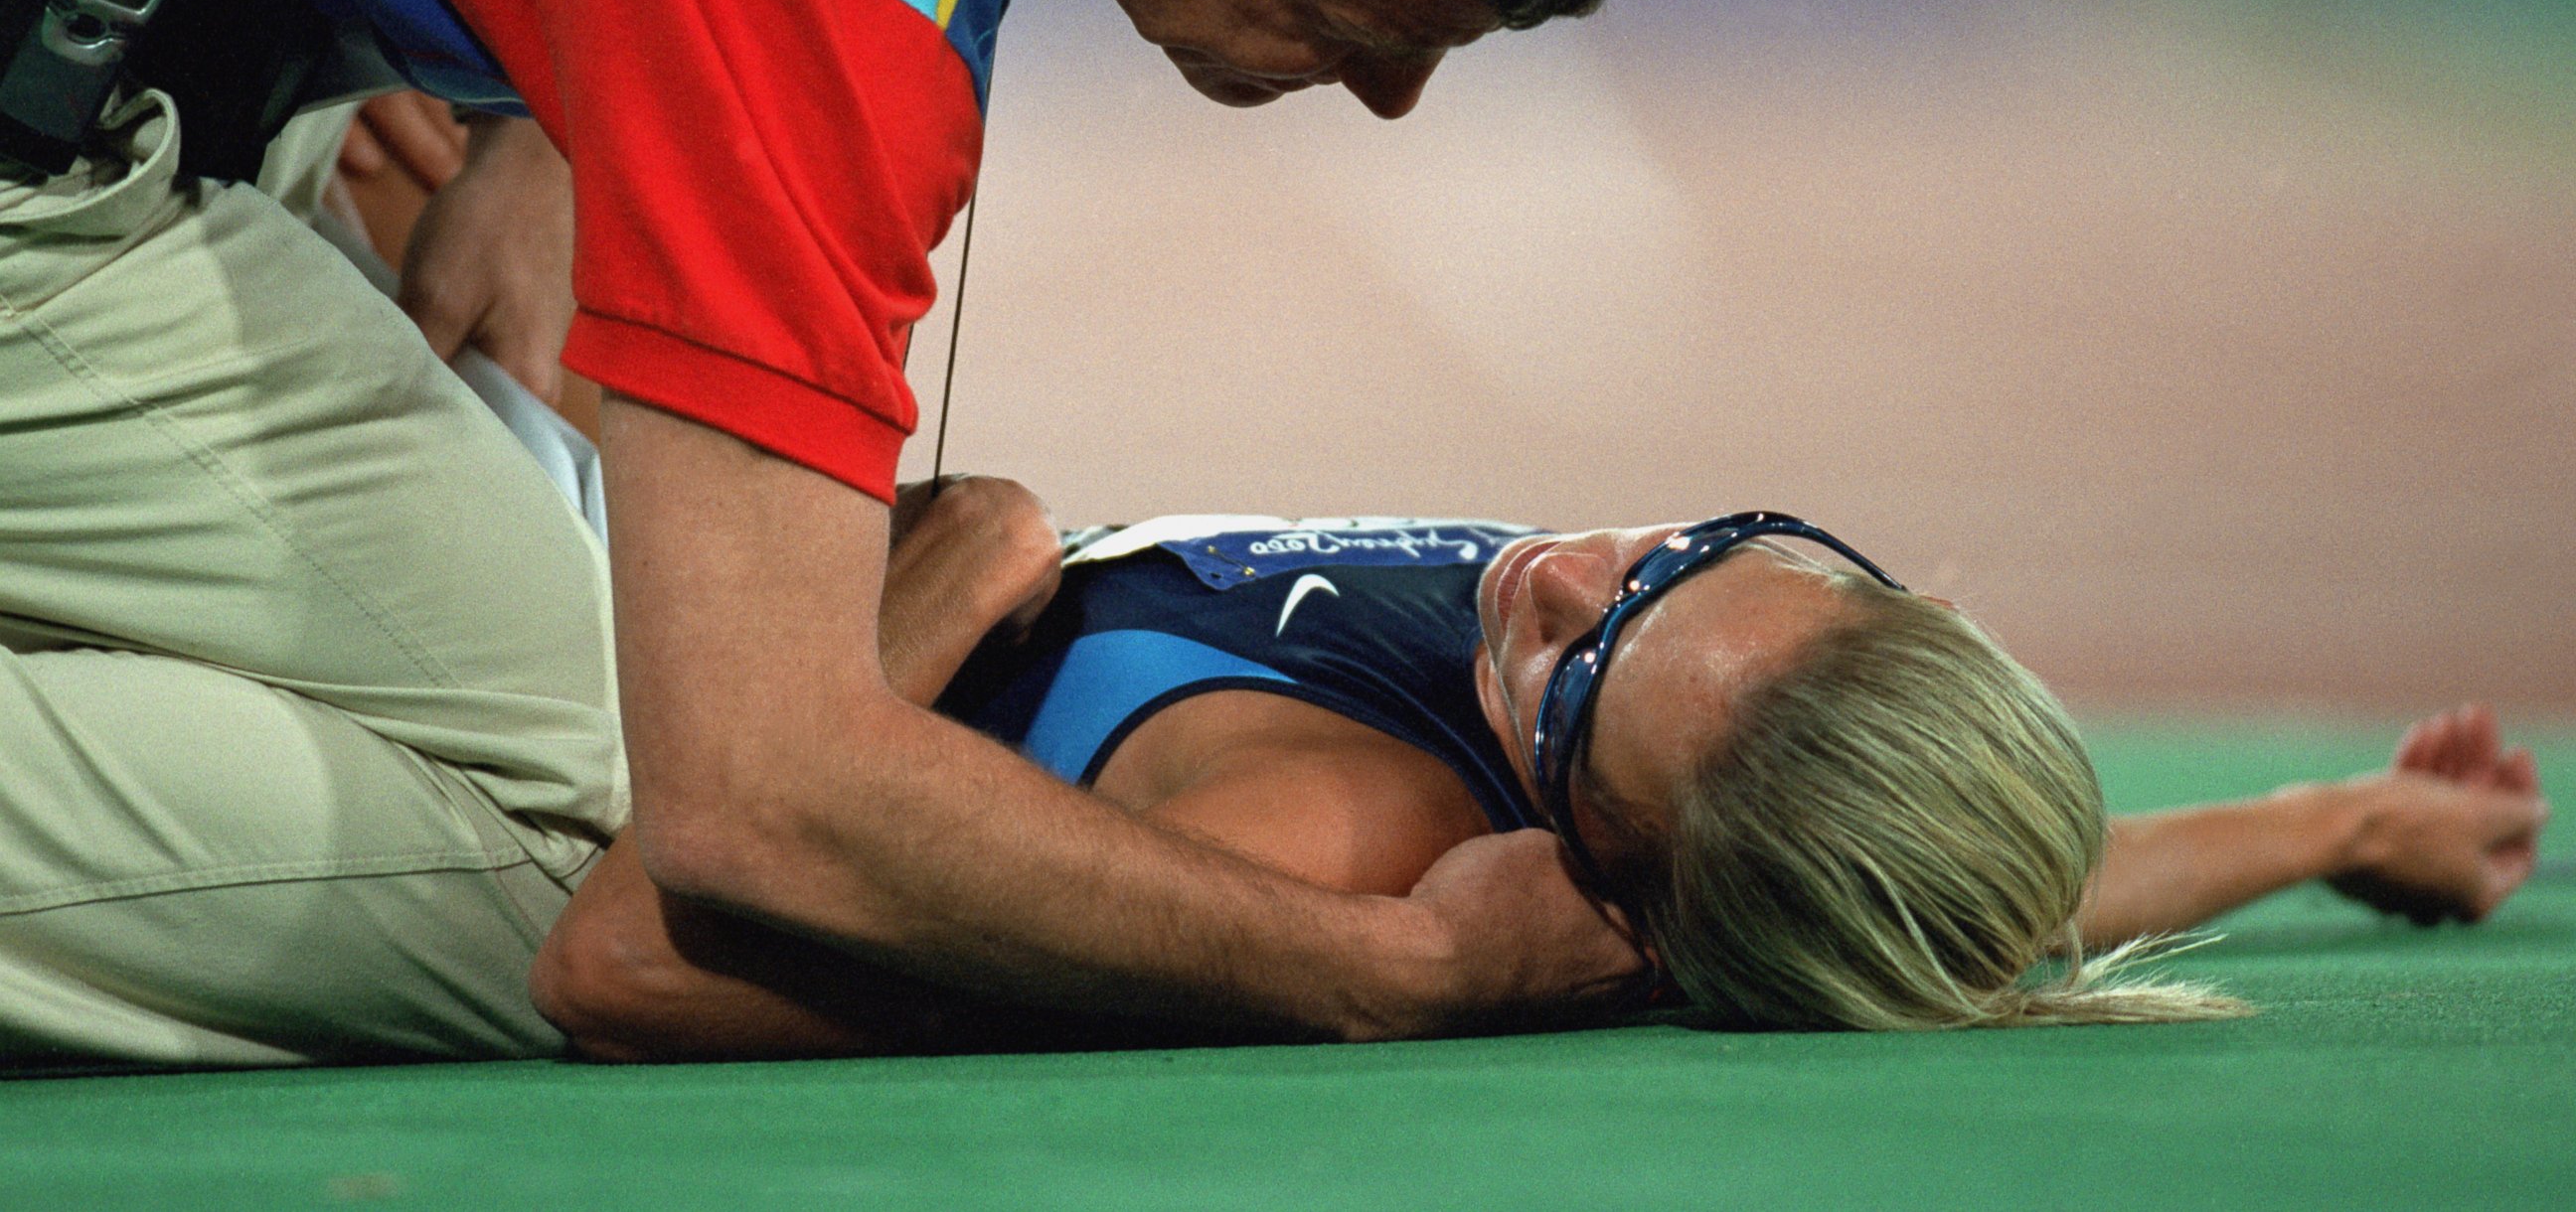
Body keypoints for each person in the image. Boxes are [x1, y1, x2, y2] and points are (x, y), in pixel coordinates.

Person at [0, 0, 1678, 1062]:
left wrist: (556, 102)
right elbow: (747, 800)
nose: (1391, 99)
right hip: (63, 102)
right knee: (587, 822)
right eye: (1357, 29)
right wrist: (1387, 970)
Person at [533, 488, 2552, 1058]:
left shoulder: (1313, 847)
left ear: (1619, 900)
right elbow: (1986, 903)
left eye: (1580, 675)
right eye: (1688, 556)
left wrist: (947, 583)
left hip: (548, 735)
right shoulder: (1694, 793)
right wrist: (2338, 822)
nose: (1568, 572)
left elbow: (624, 959)